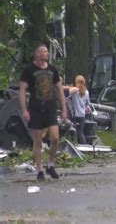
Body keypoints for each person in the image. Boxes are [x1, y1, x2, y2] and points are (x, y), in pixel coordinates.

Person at [19, 43, 68, 181]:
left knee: (55, 138)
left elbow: (59, 90)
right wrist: (24, 110)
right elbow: (22, 90)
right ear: (38, 54)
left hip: (50, 108)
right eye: (44, 51)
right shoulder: (29, 70)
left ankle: (50, 164)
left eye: (47, 51)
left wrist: (64, 109)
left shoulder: (53, 70)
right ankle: (39, 169)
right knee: (38, 140)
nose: (47, 53)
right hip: (35, 108)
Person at [69, 75, 91, 144]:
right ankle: (84, 145)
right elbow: (87, 103)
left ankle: (74, 145)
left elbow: (67, 95)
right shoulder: (86, 92)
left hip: (74, 114)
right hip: (82, 115)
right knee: (80, 132)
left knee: (73, 131)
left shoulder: (74, 91)